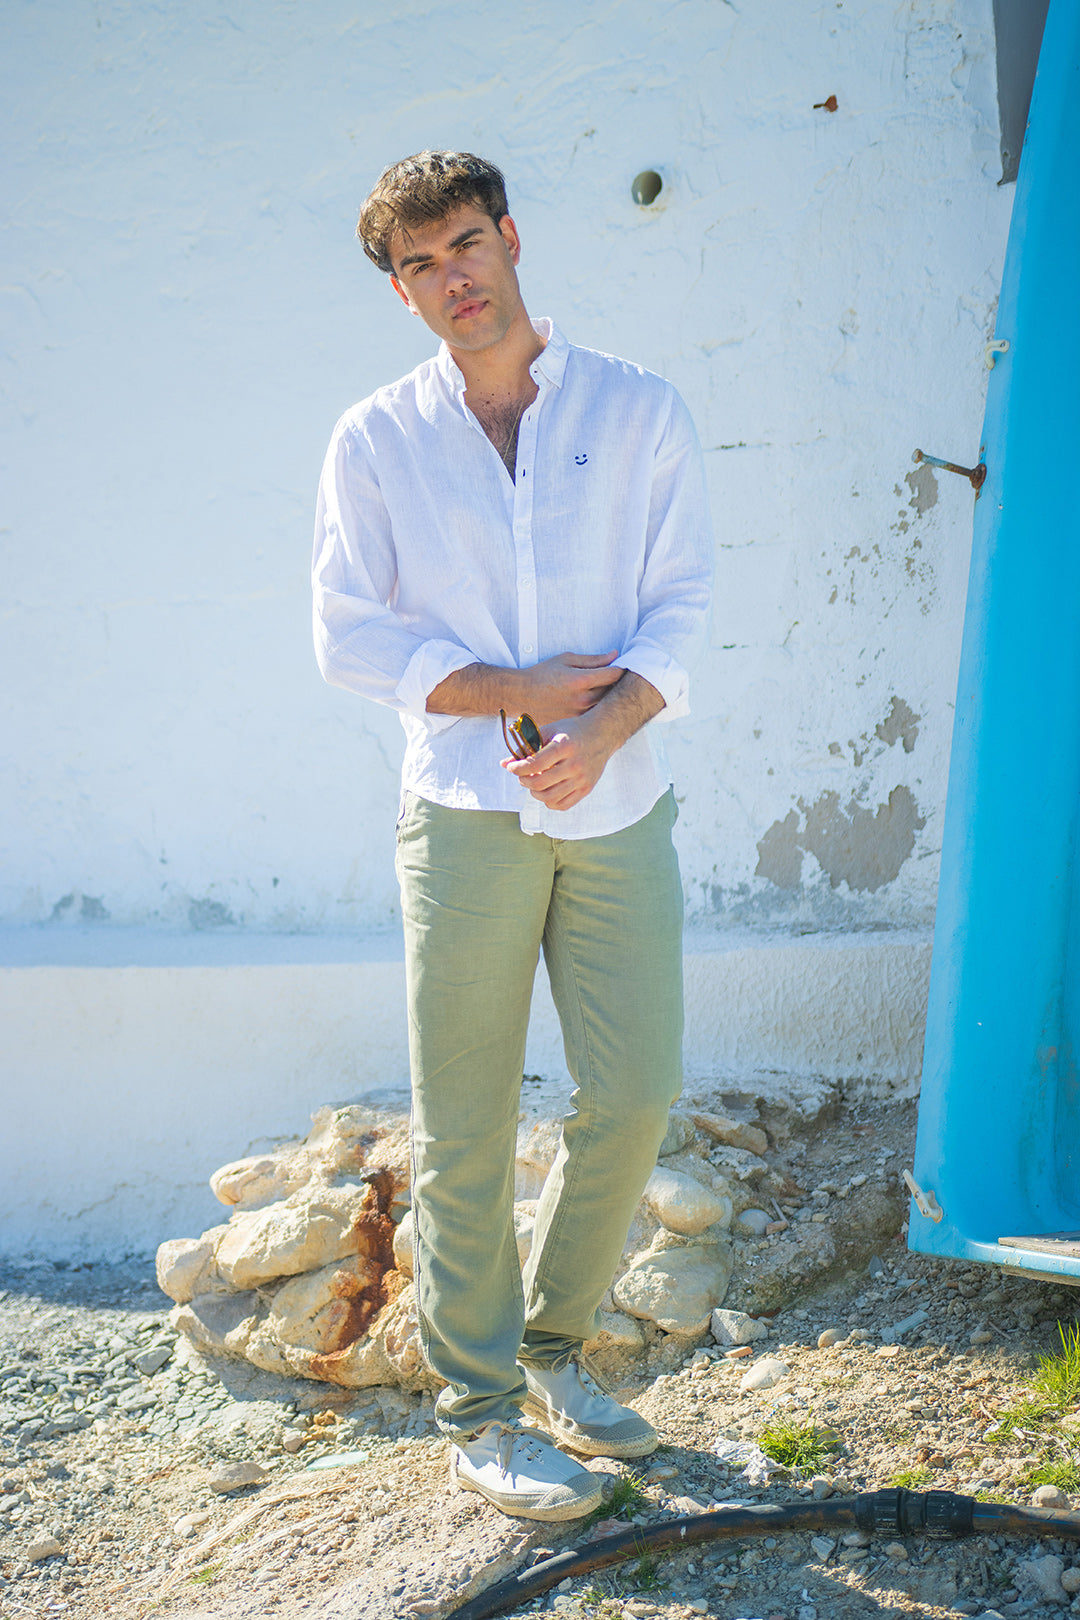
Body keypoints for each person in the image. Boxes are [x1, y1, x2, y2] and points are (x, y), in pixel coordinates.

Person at [312, 150, 712, 1522]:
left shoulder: (637, 407)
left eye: (466, 245)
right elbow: (348, 632)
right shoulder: (375, 438)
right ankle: (479, 1411)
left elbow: (686, 605)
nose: (451, 280)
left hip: (618, 805)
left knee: (636, 1090)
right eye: (418, 266)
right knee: (467, 1126)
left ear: (512, 236)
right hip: (464, 816)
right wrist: (517, 696)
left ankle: (553, 1353)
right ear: (399, 286)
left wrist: (598, 730)